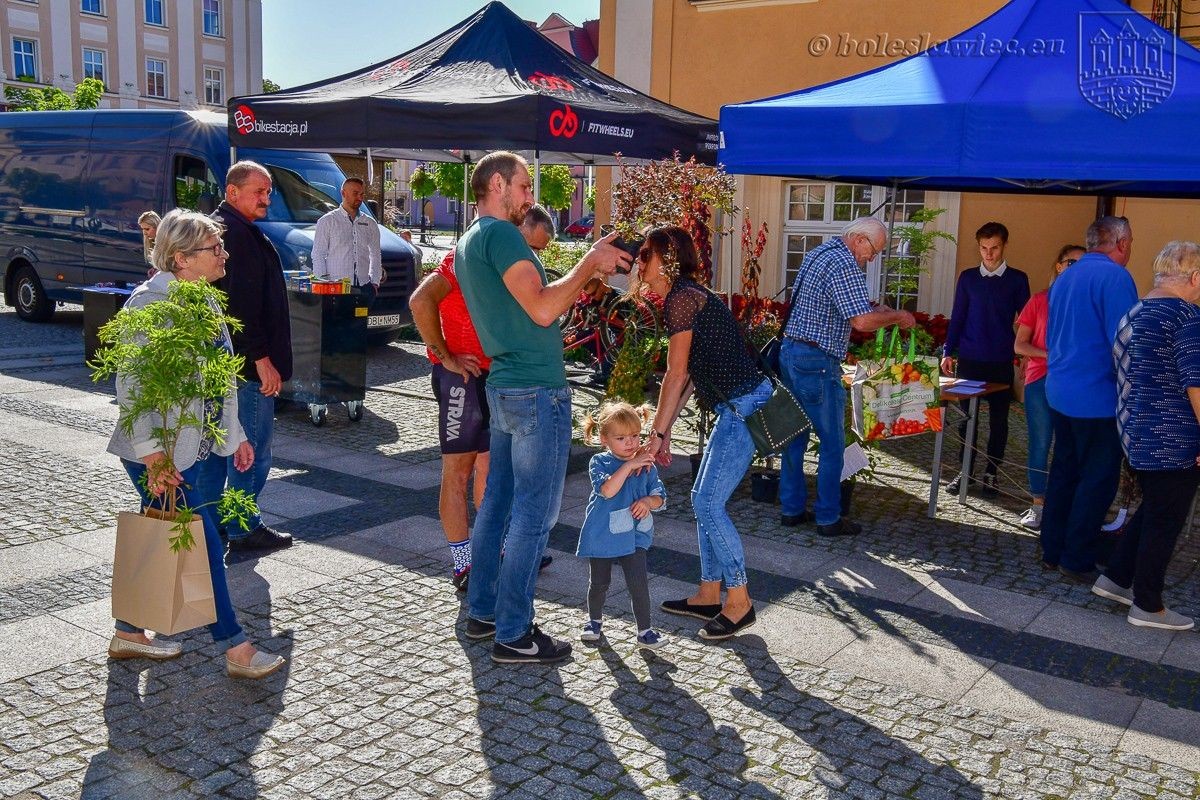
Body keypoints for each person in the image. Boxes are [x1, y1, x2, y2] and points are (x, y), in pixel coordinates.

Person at [454, 151, 628, 664]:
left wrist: (583, 274)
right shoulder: (504, 236)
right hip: (534, 389)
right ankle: (514, 631)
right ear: (499, 184)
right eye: (525, 186)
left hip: (506, 385)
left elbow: (530, 307)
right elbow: (543, 307)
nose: (531, 196)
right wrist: (589, 261)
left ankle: (484, 611)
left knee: (498, 505)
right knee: (535, 514)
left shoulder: (470, 239)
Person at [105, 209, 286, 679]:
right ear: (181, 258)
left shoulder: (205, 299)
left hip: (196, 450)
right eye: (214, 248)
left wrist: (235, 436)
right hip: (158, 452)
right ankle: (235, 647)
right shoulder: (149, 305)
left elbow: (221, 379)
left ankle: (128, 632)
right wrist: (153, 457)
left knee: (163, 536)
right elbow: (131, 387)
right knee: (202, 541)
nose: (224, 254)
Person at [409, 204, 557, 592]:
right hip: (462, 377)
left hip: (497, 376)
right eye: (532, 248)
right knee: (458, 472)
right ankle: (463, 563)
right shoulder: (465, 258)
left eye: (540, 252)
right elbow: (420, 301)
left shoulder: (509, 268)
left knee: (492, 471)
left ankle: (494, 550)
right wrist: (445, 355)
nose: (533, 258)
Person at [638, 226, 763, 639]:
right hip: (737, 405)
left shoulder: (682, 298)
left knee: (708, 502)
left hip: (741, 408)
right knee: (703, 499)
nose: (639, 262)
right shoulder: (688, 295)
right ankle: (710, 593)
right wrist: (666, 431)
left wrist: (656, 434)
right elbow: (690, 374)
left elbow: (675, 374)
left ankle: (739, 601)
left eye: (646, 254)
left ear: (666, 260)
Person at [778, 218, 915, 535]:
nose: (872, 258)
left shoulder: (821, 252)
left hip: (792, 354)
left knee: (795, 437)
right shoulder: (844, 263)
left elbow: (837, 305)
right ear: (859, 239)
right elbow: (861, 322)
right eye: (874, 250)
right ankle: (828, 518)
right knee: (832, 444)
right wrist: (898, 316)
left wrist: (876, 310)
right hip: (817, 362)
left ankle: (791, 509)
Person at [1090, 241, 1200, 631]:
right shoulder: (1186, 316)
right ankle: (1147, 605)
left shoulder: (1134, 313)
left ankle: (1116, 578)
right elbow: (1196, 383)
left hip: (1134, 430)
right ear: (1194, 277)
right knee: (1165, 520)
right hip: (1174, 438)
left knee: (1154, 507)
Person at [1041, 216, 1138, 582]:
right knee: (1096, 479)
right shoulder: (1116, 277)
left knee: (1064, 472)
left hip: (1060, 389)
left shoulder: (1066, 276)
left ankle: (1052, 549)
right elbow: (1125, 343)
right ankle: (1077, 557)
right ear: (1122, 243)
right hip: (1097, 395)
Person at [215, 161, 294, 552]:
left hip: (240, 363)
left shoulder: (234, 228)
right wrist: (261, 358)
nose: (266, 199)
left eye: (268, 192)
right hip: (247, 368)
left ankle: (231, 521)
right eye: (259, 192)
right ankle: (242, 525)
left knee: (241, 448)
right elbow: (241, 308)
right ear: (233, 192)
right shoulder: (234, 233)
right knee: (252, 451)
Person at [940, 222, 1031, 495]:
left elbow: (1027, 321)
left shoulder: (1017, 279)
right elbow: (958, 316)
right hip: (970, 360)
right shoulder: (968, 278)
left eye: (994, 248)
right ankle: (965, 470)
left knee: (999, 420)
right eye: (983, 248)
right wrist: (947, 351)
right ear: (978, 247)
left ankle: (992, 472)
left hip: (1001, 360)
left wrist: (1027, 355)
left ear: (1004, 246)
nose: (989, 254)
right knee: (967, 419)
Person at [577, 401, 667, 650]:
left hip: (634, 534)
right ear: (604, 439)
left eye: (635, 436)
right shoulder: (599, 462)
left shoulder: (646, 465)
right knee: (599, 582)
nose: (630, 443)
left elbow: (660, 497)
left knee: (638, 583)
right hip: (603, 533)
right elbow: (607, 490)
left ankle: (645, 631)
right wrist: (628, 466)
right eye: (621, 438)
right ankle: (594, 621)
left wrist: (648, 502)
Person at [1013, 244, 1084, 529]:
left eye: (1083, 264)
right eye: (1071, 262)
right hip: (1041, 379)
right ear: (1059, 265)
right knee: (1040, 442)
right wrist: (1050, 355)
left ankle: (1065, 505)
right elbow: (1020, 344)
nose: (1076, 269)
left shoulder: (1088, 303)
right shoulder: (1040, 300)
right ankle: (1038, 505)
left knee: (1072, 446)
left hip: (1076, 382)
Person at [311, 177, 382, 304]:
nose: (360, 198)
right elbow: (318, 254)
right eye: (355, 193)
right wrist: (323, 286)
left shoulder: (370, 223)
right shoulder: (327, 221)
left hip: (364, 287)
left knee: (362, 318)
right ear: (343, 193)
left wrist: (375, 282)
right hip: (336, 288)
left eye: (362, 194)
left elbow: (375, 254)